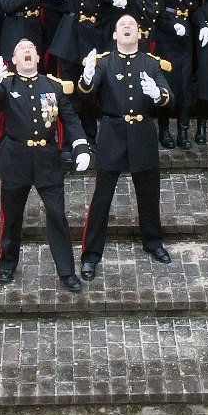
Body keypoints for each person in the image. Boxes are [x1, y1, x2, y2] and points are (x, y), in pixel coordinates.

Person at [0, 38, 91, 291]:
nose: (28, 51)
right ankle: (7, 264)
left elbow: (70, 119)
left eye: (31, 48)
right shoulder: (6, 84)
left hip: (47, 160)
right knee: (11, 217)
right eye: (22, 49)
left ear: (39, 57)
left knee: (57, 216)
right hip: (15, 159)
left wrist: (81, 146)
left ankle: (66, 271)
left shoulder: (52, 86)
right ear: (15, 59)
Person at [74, 15, 172, 279]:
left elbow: (166, 94)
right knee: (101, 199)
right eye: (122, 25)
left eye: (132, 25)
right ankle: (91, 255)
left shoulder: (151, 63)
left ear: (139, 34)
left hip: (142, 134)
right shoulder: (105, 62)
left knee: (149, 195)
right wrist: (87, 77)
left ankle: (153, 242)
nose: (127, 27)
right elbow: (87, 92)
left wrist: (158, 94)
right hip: (113, 133)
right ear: (115, 35)